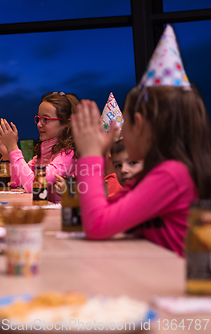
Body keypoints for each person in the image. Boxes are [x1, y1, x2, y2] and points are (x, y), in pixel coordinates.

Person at [70, 24, 211, 257]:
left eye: (125, 123)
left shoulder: (172, 174)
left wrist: (91, 157)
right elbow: (108, 210)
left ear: (140, 123)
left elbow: (96, 225)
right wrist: (101, 160)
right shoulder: (162, 171)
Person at [0, 92, 78, 203]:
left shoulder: (68, 154)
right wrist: (8, 156)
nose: (39, 124)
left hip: (64, 217)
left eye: (45, 119)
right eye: (38, 118)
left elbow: (32, 186)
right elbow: (17, 183)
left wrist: (13, 149)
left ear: (66, 123)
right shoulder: (43, 154)